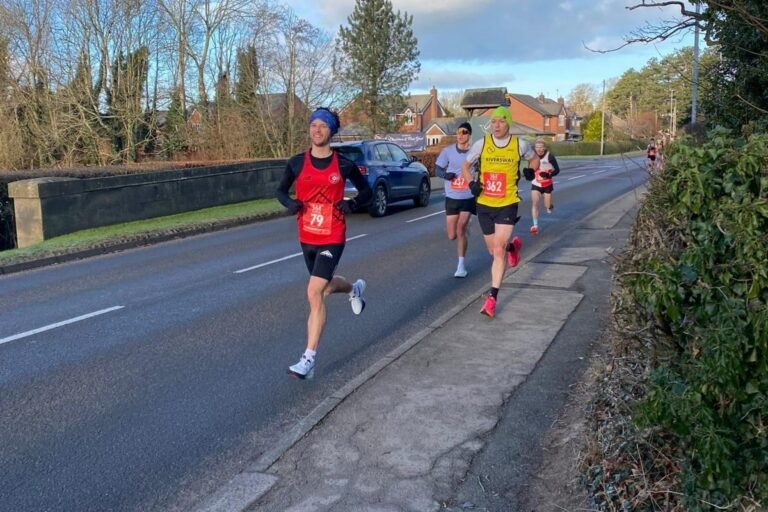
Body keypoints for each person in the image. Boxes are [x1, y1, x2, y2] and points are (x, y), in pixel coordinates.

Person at [276, 107, 373, 379]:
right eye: (313, 125)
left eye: (323, 126)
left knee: (313, 291)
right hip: (307, 235)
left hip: (333, 234)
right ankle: (354, 289)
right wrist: (290, 203)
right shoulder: (297, 162)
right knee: (325, 287)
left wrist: (351, 204)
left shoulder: (343, 164)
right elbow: (280, 191)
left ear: (331, 131)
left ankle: (308, 359)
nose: (317, 130)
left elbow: (366, 191)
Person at [461, 106, 539, 318]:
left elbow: (534, 159)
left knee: (497, 250)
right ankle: (513, 248)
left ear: (508, 123)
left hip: (507, 202)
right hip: (485, 203)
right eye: (494, 122)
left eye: (501, 121)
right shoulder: (482, 144)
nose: (496, 125)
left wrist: (532, 169)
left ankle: (492, 299)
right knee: (493, 250)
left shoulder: (519, 144)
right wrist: (471, 184)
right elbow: (465, 167)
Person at [434, 121, 476, 278]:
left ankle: (461, 266)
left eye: (464, 132)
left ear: (469, 135)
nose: (460, 135)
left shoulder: (474, 152)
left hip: (468, 196)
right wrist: (446, 175)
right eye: (458, 132)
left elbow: (483, 168)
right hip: (452, 196)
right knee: (452, 235)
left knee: (460, 229)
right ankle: (464, 230)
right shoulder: (448, 151)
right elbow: (437, 169)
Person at [526, 138, 560, 235]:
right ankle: (535, 226)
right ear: (535, 148)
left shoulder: (550, 156)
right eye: (537, 147)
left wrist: (549, 175)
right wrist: (528, 174)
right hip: (536, 183)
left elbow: (557, 170)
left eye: (541, 147)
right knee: (535, 203)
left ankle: (550, 206)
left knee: (547, 205)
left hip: (547, 184)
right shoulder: (532, 157)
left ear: (544, 148)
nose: (539, 149)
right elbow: (530, 169)